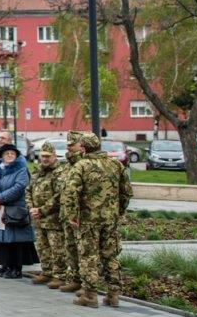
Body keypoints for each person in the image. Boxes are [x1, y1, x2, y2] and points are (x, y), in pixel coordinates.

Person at [62, 132, 133, 308]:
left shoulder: (81, 165)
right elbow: (126, 192)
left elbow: (71, 192)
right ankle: (113, 294)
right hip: (110, 219)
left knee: (88, 256)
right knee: (111, 256)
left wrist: (72, 215)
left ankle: (90, 295)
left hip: (88, 220)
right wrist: (119, 210)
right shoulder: (116, 164)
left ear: (83, 147)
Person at [0, 143, 38, 279]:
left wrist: (0, 198)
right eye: (7, 154)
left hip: (15, 209)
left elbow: (19, 187)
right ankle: (7, 266)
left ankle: (16, 269)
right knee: (4, 240)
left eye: (12, 154)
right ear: (2, 156)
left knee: (16, 240)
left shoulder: (21, 169)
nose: (10, 155)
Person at [50, 131, 86, 294]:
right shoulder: (67, 166)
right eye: (67, 145)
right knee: (70, 248)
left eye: (72, 145)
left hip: (81, 217)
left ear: (81, 145)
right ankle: (75, 279)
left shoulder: (84, 165)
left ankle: (86, 284)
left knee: (83, 250)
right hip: (66, 215)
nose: (68, 147)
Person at [26, 142, 64, 285]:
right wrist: (31, 207)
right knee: (42, 247)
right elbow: (28, 190)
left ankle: (59, 275)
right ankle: (47, 272)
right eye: (43, 156)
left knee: (57, 248)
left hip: (53, 219)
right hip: (38, 218)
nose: (45, 159)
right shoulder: (37, 172)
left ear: (54, 156)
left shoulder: (59, 172)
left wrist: (41, 210)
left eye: (48, 156)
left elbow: (59, 196)